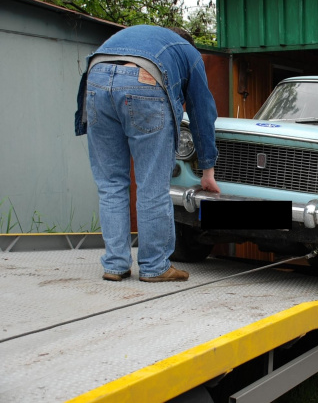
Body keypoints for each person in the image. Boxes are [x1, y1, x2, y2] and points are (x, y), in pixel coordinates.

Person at [75, 25, 220, 282]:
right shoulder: (187, 51)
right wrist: (207, 170)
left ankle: (115, 265)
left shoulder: (136, 34)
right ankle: (155, 267)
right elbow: (202, 112)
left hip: (96, 78)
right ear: (188, 43)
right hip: (144, 81)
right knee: (151, 185)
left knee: (110, 184)